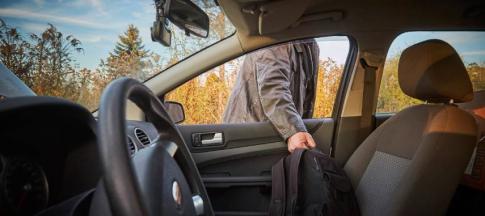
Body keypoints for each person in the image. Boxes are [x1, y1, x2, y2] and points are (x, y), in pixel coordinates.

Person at [223, 39, 320, 153]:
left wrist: (302, 129)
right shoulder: (275, 40)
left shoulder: (310, 45)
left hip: (275, 129)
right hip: (248, 133)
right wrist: (294, 130)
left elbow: (308, 98)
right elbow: (273, 87)